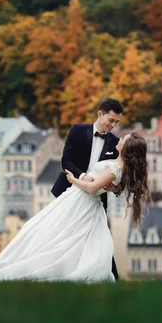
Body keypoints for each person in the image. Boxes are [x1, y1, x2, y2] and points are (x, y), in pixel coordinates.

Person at [0, 132, 149, 283]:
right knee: (55, 235)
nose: (120, 139)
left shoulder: (115, 168)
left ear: (126, 148)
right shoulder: (117, 167)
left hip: (81, 202)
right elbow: (105, 186)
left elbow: (93, 189)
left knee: (49, 233)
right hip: (80, 201)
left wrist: (74, 180)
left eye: (123, 139)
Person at [51, 98, 124, 279]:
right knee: (63, 239)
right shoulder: (77, 131)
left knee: (100, 242)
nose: (113, 125)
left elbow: (118, 177)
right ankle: (61, 275)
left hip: (96, 200)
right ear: (100, 114)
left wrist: (114, 189)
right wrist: (82, 176)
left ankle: (112, 279)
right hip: (69, 194)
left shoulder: (115, 143)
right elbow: (66, 160)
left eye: (117, 122)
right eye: (111, 120)